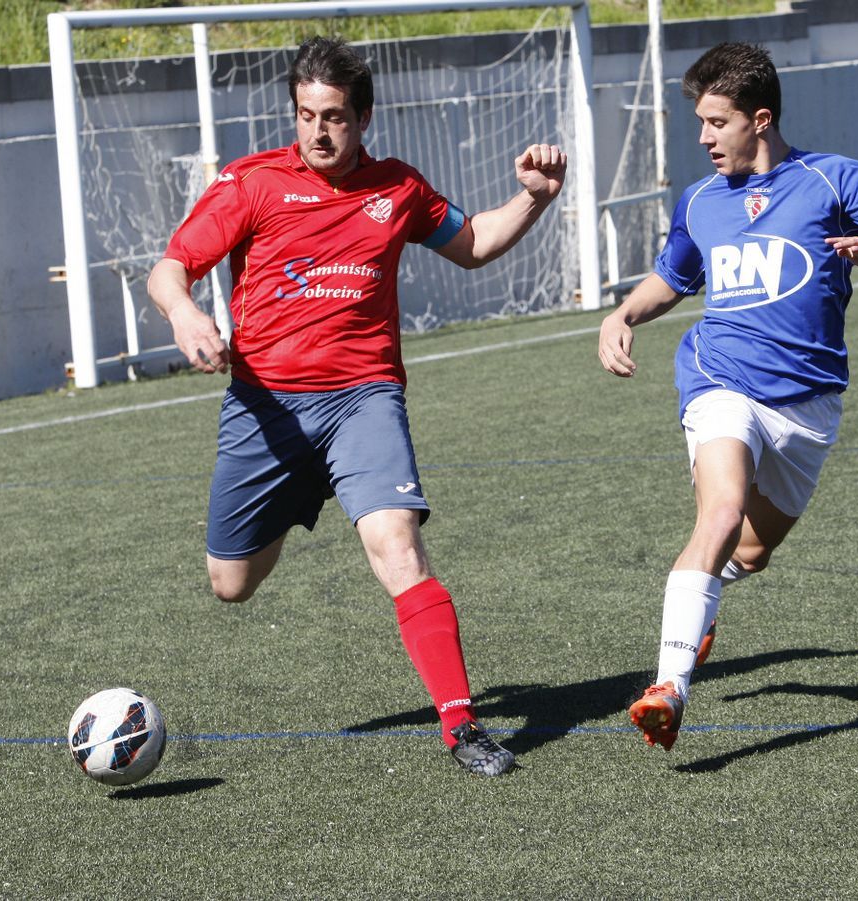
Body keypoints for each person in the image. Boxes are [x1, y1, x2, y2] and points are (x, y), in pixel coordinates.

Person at [148, 36, 568, 776]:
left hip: (362, 399)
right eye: (306, 115)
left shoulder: (397, 187)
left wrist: (533, 197)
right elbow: (170, 269)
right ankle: (298, 494)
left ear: (363, 117)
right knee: (230, 584)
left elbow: (472, 243)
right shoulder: (251, 183)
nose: (318, 132)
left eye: (334, 117)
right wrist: (185, 314)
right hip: (266, 408)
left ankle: (461, 724)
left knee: (397, 545)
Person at [598, 42, 858, 751]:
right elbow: (674, 277)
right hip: (720, 378)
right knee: (721, 511)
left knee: (749, 553)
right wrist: (622, 313)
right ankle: (669, 686)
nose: (703, 137)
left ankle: (703, 598)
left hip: (808, 404)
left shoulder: (835, 180)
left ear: (759, 120)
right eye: (700, 121)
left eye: (716, 122)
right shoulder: (700, 201)